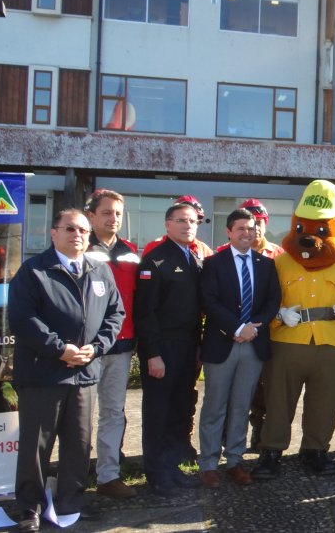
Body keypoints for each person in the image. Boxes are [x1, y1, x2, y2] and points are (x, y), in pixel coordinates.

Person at [9, 209, 124, 532]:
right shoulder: (34, 271)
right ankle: (29, 508)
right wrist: (60, 348)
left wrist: (97, 347)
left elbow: (116, 315)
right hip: (43, 374)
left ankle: (71, 503)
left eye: (84, 231)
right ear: (53, 233)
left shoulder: (100, 270)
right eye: (70, 229)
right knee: (36, 446)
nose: (78, 236)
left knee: (79, 443)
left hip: (84, 373)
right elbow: (22, 319)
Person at [253, 180, 335, 479]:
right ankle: (271, 451)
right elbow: (266, 302)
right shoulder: (281, 263)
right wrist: (277, 316)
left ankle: (315, 451)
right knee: (278, 399)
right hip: (288, 340)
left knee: (325, 401)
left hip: (334, 343)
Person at [197, 208, 282, 487]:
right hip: (223, 343)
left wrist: (254, 328)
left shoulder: (266, 264)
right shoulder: (213, 263)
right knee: (215, 405)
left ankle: (235, 460)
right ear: (229, 232)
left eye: (252, 228)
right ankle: (208, 463)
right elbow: (209, 301)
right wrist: (236, 328)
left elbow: (273, 300)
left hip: (253, 344)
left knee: (241, 406)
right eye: (241, 229)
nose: (248, 233)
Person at [134, 203, 205, 496]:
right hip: (163, 347)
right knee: (158, 412)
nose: (188, 225)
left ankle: (174, 466)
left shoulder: (194, 258)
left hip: (188, 346)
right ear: (167, 225)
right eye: (181, 221)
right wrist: (152, 354)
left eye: (192, 221)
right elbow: (145, 312)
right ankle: (157, 473)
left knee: (178, 410)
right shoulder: (156, 260)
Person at [84, 189, 141, 500]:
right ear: (91, 215)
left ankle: (108, 476)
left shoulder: (131, 252)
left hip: (121, 347)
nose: (113, 218)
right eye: (106, 212)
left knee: (113, 413)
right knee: (79, 415)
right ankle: (74, 476)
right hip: (87, 349)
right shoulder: (80, 249)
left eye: (118, 213)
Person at [216, 198, 284, 259]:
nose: (255, 228)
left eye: (258, 223)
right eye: (251, 224)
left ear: (265, 225)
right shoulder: (221, 252)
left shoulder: (279, 254)